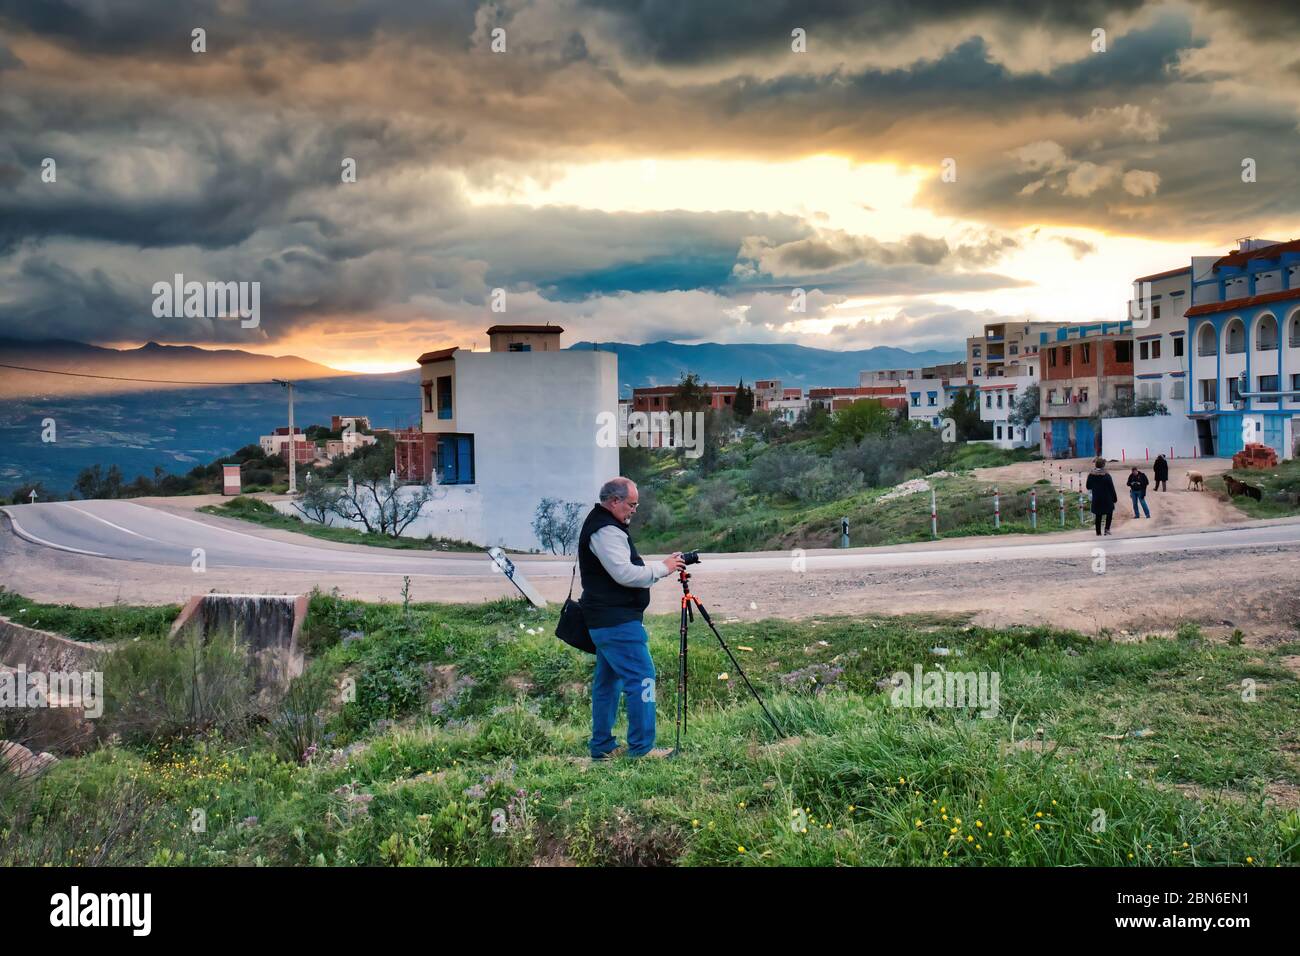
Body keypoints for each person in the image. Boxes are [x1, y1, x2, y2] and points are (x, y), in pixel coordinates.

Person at [577, 477, 685, 760]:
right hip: (617, 622)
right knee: (643, 679)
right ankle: (642, 748)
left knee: (607, 684)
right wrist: (663, 568)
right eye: (631, 504)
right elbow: (624, 574)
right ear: (614, 501)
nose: (634, 510)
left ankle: (602, 746)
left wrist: (659, 568)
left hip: (606, 621)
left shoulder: (602, 525)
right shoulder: (606, 532)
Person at [1085, 457, 1117, 536]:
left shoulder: (1091, 475)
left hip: (1097, 498)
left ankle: (1098, 532)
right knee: (1109, 513)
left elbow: (1088, 486)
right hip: (1107, 498)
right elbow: (1111, 488)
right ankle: (1107, 529)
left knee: (1098, 515)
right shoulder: (1106, 475)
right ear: (1103, 465)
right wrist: (1114, 498)